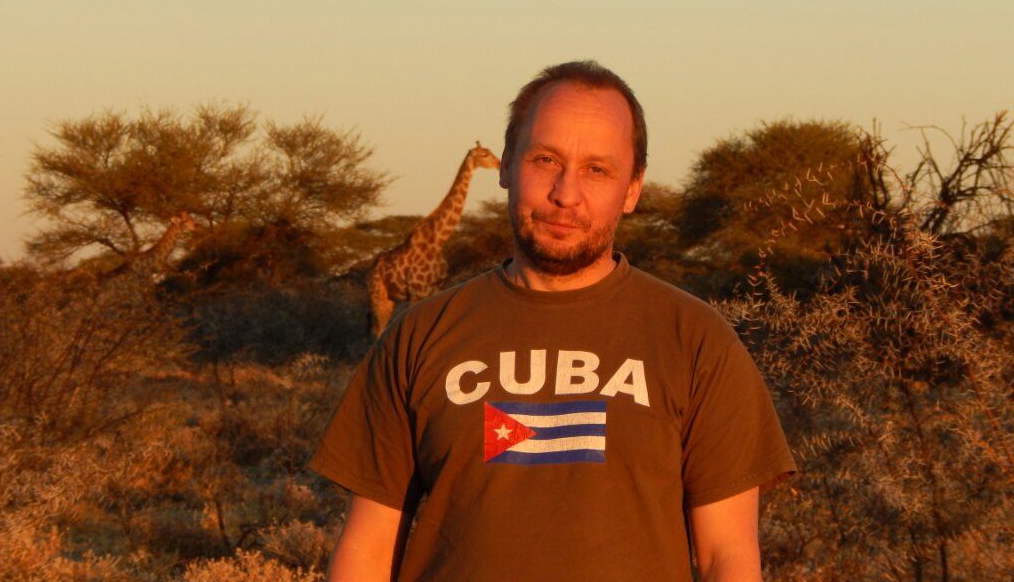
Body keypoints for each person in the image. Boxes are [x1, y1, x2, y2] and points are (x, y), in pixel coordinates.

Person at [308, 60, 799, 581]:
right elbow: (367, 550)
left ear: (633, 189)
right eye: (545, 159)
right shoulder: (419, 335)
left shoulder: (697, 340)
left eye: (597, 169)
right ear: (505, 166)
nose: (566, 194)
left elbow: (728, 556)